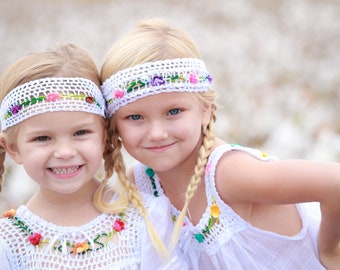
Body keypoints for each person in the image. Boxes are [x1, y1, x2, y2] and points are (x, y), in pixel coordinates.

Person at [100, 18, 340, 269]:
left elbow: (335, 183)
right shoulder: (142, 183)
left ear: (205, 110)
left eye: (174, 112)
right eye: (135, 117)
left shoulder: (229, 174)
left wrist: (330, 250)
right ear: (114, 125)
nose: (157, 133)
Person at [0, 43, 185, 269]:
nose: (65, 152)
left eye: (81, 133)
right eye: (42, 138)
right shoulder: (9, 244)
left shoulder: (146, 218)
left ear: (105, 136)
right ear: (13, 148)